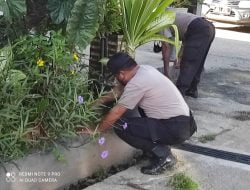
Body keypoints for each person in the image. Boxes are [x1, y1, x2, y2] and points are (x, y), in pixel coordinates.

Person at [88, 52, 197, 175]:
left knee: (120, 125)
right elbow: (118, 90)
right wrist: (98, 101)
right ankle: (154, 150)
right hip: (184, 123)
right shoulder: (144, 70)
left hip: (175, 128)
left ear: (121, 74)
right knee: (138, 110)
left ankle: (165, 156)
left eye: (115, 76)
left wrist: (96, 129)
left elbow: (116, 112)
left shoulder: (137, 83)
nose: (115, 80)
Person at [162, 12, 215, 98]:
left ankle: (179, 94)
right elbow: (186, 36)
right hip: (209, 27)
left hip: (198, 28)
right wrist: (179, 57)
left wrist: (166, 73)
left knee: (188, 63)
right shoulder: (171, 15)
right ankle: (192, 89)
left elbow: (166, 48)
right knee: (198, 61)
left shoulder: (161, 23)